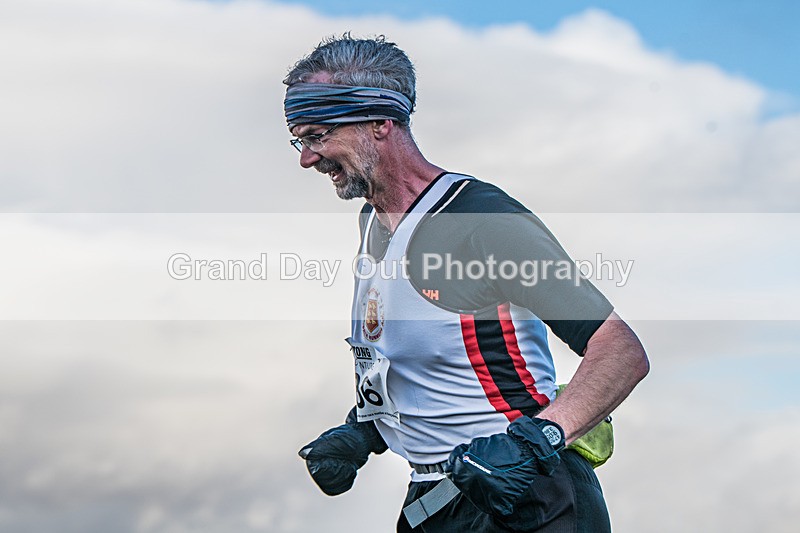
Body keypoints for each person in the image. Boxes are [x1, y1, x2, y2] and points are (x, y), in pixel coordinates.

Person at [284, 34, 649, 532]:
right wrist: (363, 431)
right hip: (434, 501)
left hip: (527, 502)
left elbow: (620, 350)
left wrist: (537, 440)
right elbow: (428, 362)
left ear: (379, 122)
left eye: (318, 135)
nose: (307, 157)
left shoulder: (477, 218)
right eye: (300, 140)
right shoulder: (372, 223)